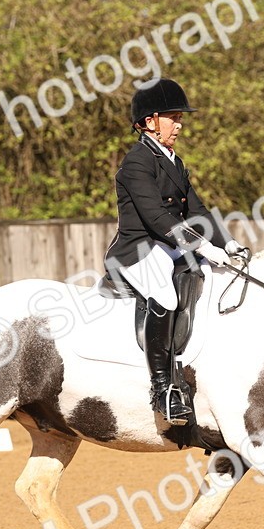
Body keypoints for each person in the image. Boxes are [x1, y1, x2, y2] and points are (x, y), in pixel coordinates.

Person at [104, 78, 247, 426]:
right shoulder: (137, 162)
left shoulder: (175, 161)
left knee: (213, 279)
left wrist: (227, 243)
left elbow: (197, 210)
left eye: (180, 117)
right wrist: (201, 246)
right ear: (150, 121)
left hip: (167, 246)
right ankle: (162, 388)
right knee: (165, 296)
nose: (180, 124)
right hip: (137, 250)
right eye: (173, 117)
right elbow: (156, 217)